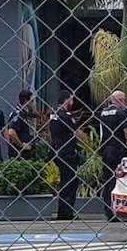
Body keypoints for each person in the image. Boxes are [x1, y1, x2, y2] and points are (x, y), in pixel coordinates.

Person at [98, 90, 127, 221]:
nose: (124, 103)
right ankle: (115, 211)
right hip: (117, 149)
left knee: (108, 181)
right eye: (123, 100)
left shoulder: (103, 113)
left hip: (106, 149)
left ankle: (108, 210)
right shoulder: (121, 113)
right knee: (116, 181)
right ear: (117, 100)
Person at [49, 91, 82, 221]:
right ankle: (67, 212)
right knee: (71, 182)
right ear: (66, 101)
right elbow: (77, 132)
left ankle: (61, 212)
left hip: (58, 151)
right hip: (68, 153)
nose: (72, 103)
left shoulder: (54, 115)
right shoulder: (66, 116)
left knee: (64, 182)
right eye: (71, 100)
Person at [6, 90, 36, 159]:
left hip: (27, 153)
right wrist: (22, 145)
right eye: (31, 101)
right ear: (26, 101)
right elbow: (11, 132)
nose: (33, 103)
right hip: (19, 153)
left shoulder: (25, 114)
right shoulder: (18, 114)